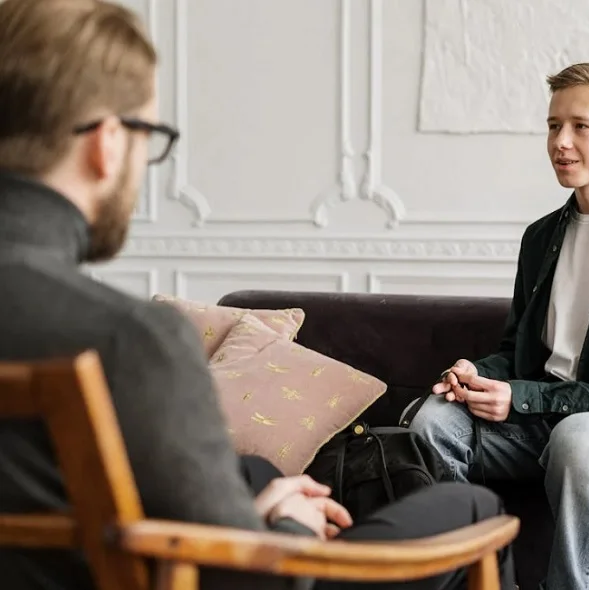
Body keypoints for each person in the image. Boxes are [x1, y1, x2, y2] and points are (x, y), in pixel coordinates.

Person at [0, 1, 514, 589]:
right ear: (108, 143)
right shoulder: (131, 341)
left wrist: (249, 515)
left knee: (251, 473)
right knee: (471, 511)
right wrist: (288, 527)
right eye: (151, 138)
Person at [410, 62, 589, 590]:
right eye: (552, 126)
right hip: (539, 424)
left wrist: (524, 398)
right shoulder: (540, 237)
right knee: (432, 422)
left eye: (580, 126)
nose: (560, 142)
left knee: (578, 438)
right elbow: (517, 350)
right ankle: (467, 580)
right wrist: (477, 372)